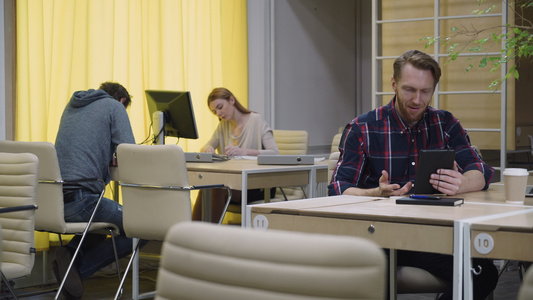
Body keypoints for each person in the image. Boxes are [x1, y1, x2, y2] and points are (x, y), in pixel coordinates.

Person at [328, 50, 498, 300]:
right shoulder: (363, 128)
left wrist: (461, 183)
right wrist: (375, 193)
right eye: (409, 89)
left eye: (426, 91)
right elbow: (338, 188)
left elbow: (481, 171)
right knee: (369, 279)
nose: (417, 100)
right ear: (394, 84)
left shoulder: (446, 124)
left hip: (432, 237)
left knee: (483, 274)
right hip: (377, 238)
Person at [54, 82, 142, 299]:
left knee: (103, 223)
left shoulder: (73, 105)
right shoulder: (114, 107)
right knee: (143, 226)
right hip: (83, 201)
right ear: (122, 101)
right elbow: (130, 154)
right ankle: (76, 270)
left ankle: (71, 254)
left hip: (53, 202)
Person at [192, 87, 279, 223]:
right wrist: (207, 148)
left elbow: (274, 153)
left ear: (231, 100)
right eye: (215, 112)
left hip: (258, 184)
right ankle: (193, 233)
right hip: (234, 183)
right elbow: (206, 146)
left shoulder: (256, 120)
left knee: (218, 187)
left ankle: (208, 235)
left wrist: (245, 152)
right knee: (208, 186)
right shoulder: (223, 127)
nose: (219, 114)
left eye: (220, 107)